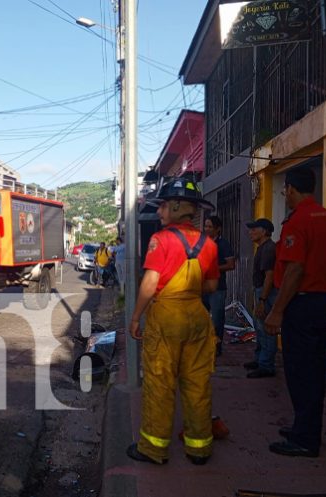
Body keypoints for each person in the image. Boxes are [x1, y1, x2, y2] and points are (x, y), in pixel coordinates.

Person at [126, 178, 220, 466]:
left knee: (160, 383)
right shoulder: (209, 244)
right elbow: (212, 286)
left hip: (166, 318)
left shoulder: (161, 240)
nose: (159, 212)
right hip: (197, 318)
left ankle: (153, 449)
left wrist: (136, 316)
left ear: (177, 207)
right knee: (197, 384)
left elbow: (150, 282)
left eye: (163, 206)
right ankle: (199, 448)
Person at [265, 167, 326, 458]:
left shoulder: (298, 222)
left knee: (300, 371)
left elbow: (294, 270)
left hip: (300, 304)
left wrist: (276, 311)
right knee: (315, 368)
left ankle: (305, 439)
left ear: (292, 189)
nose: (285, 195)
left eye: (285, 191)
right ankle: (304, 427)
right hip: (321, 301)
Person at [243, 218, 278, 378]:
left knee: (266, 329)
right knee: (259, 328)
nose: (250, 232)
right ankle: (259, 359)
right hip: (261, 291)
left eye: (254, 229)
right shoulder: (263, 248)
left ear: (264, 231)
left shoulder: (268, 249)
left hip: (266, 293)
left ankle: (266, 365)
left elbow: (269, 276)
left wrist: (263, 300)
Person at [203, 215, 236, 356]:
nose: (207, 229)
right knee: (201, 318)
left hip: (217, 288)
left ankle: (216, 348)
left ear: (218, 229)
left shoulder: (223, 244)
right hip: (202, 287)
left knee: (217, 320)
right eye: (205, 226)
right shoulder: (202, 243)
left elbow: (231, 265)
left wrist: (214, 268)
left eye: (210, 226)